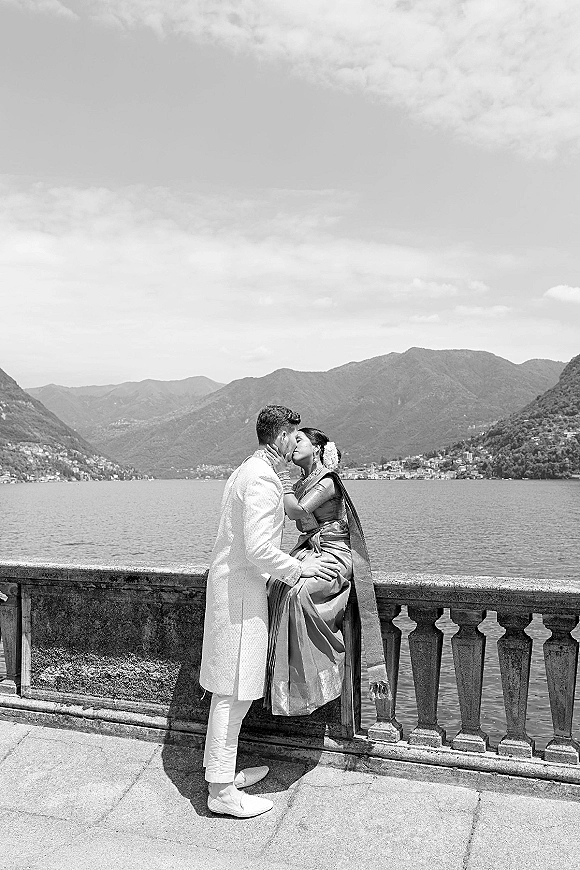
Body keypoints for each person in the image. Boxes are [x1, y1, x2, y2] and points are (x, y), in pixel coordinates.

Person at [199, 406, 340, 819]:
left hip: (232, 588)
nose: (293, 442)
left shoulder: (246, 470)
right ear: (280, 436)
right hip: (241, 598)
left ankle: (219, 773)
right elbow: (259, 548)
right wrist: (301, 568)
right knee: (235, 693)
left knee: (228, 690)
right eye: (292, 436)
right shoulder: (261, 479)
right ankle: (221, 792)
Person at [264, 427, 390, 718]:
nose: (292, 445)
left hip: (335, 553)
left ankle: (320, 678)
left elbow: (295, 512)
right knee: (275, 585)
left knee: (299, 593)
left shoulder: (328, 481)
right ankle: (285, 682)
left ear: (318, 448)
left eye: (299, 440)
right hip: (310, 552)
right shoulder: (302, 482)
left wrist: (281, 475)